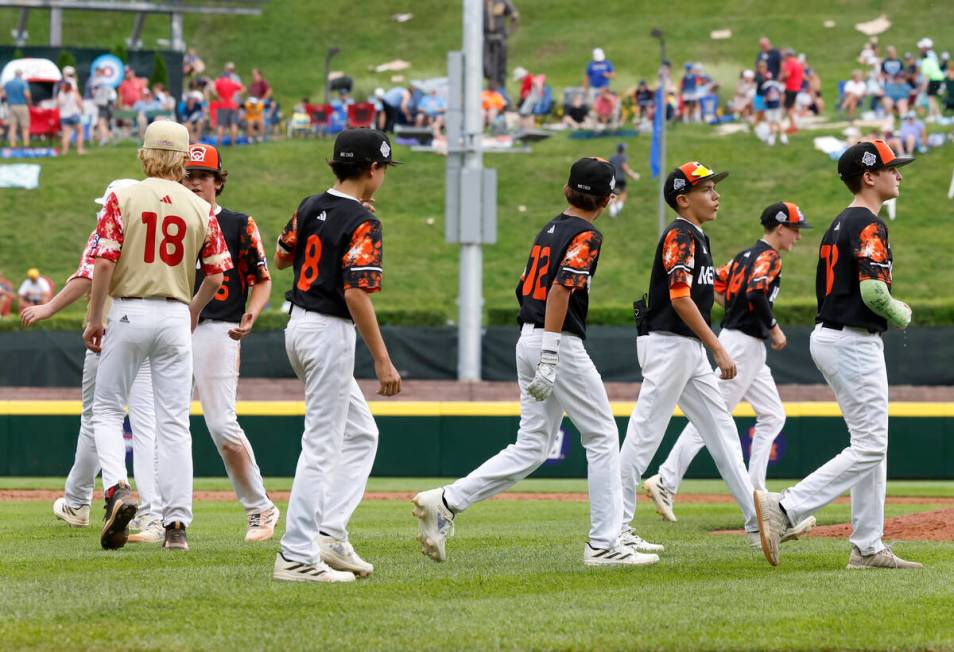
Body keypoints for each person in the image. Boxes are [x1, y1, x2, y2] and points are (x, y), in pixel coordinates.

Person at [413, 157, 661, 568]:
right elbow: (562, 289)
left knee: (532, 446)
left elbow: (524, 286)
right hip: (555, 341)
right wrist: (550, 352)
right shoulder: (587, 233)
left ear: (567, 190)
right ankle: (604, 543)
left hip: (528, 337)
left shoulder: (549, 227)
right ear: (607, 198)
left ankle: (446, 501)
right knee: (601, 437)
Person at [617, 162, 815, 551]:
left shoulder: (698, 237)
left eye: (713, 187)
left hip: (686, 347)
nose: (715, 194)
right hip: (670, 344)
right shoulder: (680, 234)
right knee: (643, 435)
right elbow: (679, 298)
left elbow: (711, 292)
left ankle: (759, 523)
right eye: (706, 188)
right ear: (683, 199)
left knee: (723, 433)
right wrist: (719, 346)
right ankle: (612, 531)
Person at [753, 140, 921, 570]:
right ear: (869, 176)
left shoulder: (842, 221)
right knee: (871, 444)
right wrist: (901, 312)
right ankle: (786, 508)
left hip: (836, 335)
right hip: (851, 339)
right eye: (891, 168)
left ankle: (867, 545)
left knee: (870, 444)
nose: (898, 174)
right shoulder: (867, 223)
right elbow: (872, 292)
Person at [83, 120, 232, 552]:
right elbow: (218, 272)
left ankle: (116, 490)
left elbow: (105, 261)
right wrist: (193, 311)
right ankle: (177, 525)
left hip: (129, 309)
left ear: (144, 154)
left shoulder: (122, 195)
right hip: (174, 315)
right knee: (174, 425)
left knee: (107, 411)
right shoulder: (199, 206)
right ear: (184, 160)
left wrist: (95, 316)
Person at [272, 128, 401, 583]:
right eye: (384, 168)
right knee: (322, 446)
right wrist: (382, 359)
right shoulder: (364, 222)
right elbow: (355, 293)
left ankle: (328, 534)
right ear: (372, 169)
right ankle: (295, 554)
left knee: (362, 435)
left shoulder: (310, 204)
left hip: (298, 326)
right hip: (328, 332)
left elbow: (282, 256)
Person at [20, 179, 164, 543]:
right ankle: (153, 513)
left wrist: (51, 307)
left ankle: (79, 501)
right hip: (157, 331)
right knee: (148, 425)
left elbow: (89, 274)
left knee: (97, 418)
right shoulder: (157, 228)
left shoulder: (108, 227)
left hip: (113, 331)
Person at [182, 144, 279, 542]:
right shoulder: (170, 220)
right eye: (189, 175)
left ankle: (260, 507)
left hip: (218, 327)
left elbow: (262, 279)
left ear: (219, 182)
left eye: (204, 176)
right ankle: (158, 515)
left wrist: (251, 314)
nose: (196, 182)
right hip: (172, 326)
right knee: (160, 423)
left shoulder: (239, 224)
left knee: (221, 423)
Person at [483, 0, 519, 88]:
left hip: (499, 36)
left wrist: (508, 32)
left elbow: (514, 16)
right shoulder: (479, 3)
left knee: (500, 66)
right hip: (486, 36)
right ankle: (491, 84)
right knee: (486, 66)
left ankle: (500, 89)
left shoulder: (502, 2)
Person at [214, 62, 245, 146]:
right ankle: (233, 142)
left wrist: (218, 97)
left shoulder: (219, 82)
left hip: (222, 105)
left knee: (221, 125)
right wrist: (235, 95)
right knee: (233, 124)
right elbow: (243, 88)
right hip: (232, 105)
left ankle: (219, 143)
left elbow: (212, 88)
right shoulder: (232, 83)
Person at [608, 143, 639, 218]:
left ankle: (613, 211)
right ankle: (617, 209)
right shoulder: (623, 157)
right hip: (620, 179)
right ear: (623, 150)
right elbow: (624, 167)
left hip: (613, 179)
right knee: (623, 194)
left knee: (614, 195)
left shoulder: (612, 157)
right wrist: (633, 175)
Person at [3, 68, 31, 148]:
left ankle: (13, 146)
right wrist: (29, 102)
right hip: (22, 105)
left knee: (12, 127)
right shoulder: (23, 82)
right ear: (21, 74)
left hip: (11, 106)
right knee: (25, 127)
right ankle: (26, 145)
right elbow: (26, 94)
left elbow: (4, 94)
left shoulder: (8, 83)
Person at [57, 80, 85, 155]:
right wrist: (82, 110)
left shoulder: (60, 93)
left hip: (64, 116)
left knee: (66, 134)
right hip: (74, 114)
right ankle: (80, 150)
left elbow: (58, 105)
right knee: (80, 133)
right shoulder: (74, 93)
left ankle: (64, 151)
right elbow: (79, 102)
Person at [91, 66, 116, 146]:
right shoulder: (108, 81)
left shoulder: (98, 81)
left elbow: (94, 92)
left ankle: (104, 139)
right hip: (109, 104)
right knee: (103, 123)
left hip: (103, 104)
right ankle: (104, 138)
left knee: (101, 123)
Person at [780, 49, 804, 132]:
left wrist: (781, 78)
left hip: (790, 87)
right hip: (797, 87)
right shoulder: (798, 63)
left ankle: (793, 126)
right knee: (792, 106)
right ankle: (794, 123)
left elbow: (787, 74)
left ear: (788, 55)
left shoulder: (790, 62)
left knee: (788, 107)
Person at [247, 68, 272, 142]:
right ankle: (250, 138)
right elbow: (250, 93)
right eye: (253, 75)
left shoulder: (263, 83)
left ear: (259, 75)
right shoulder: (253, 84)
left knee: (260, 121)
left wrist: (262, 100)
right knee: (250, 122)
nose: (254, 76)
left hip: (259, 104)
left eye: (255, 74)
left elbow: (269, 91)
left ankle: (260, 137)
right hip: (252, 104)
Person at [760, 72, 785, 145]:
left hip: (769, 106)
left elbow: (766, 97)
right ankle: (783, 137)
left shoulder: (765, 85)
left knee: (771, 122)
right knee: (778, 122)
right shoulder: (777, 84)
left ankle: (772, 138)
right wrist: (781, 104)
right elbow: (782, 94)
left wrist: (764, 103)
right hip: (777, 105)